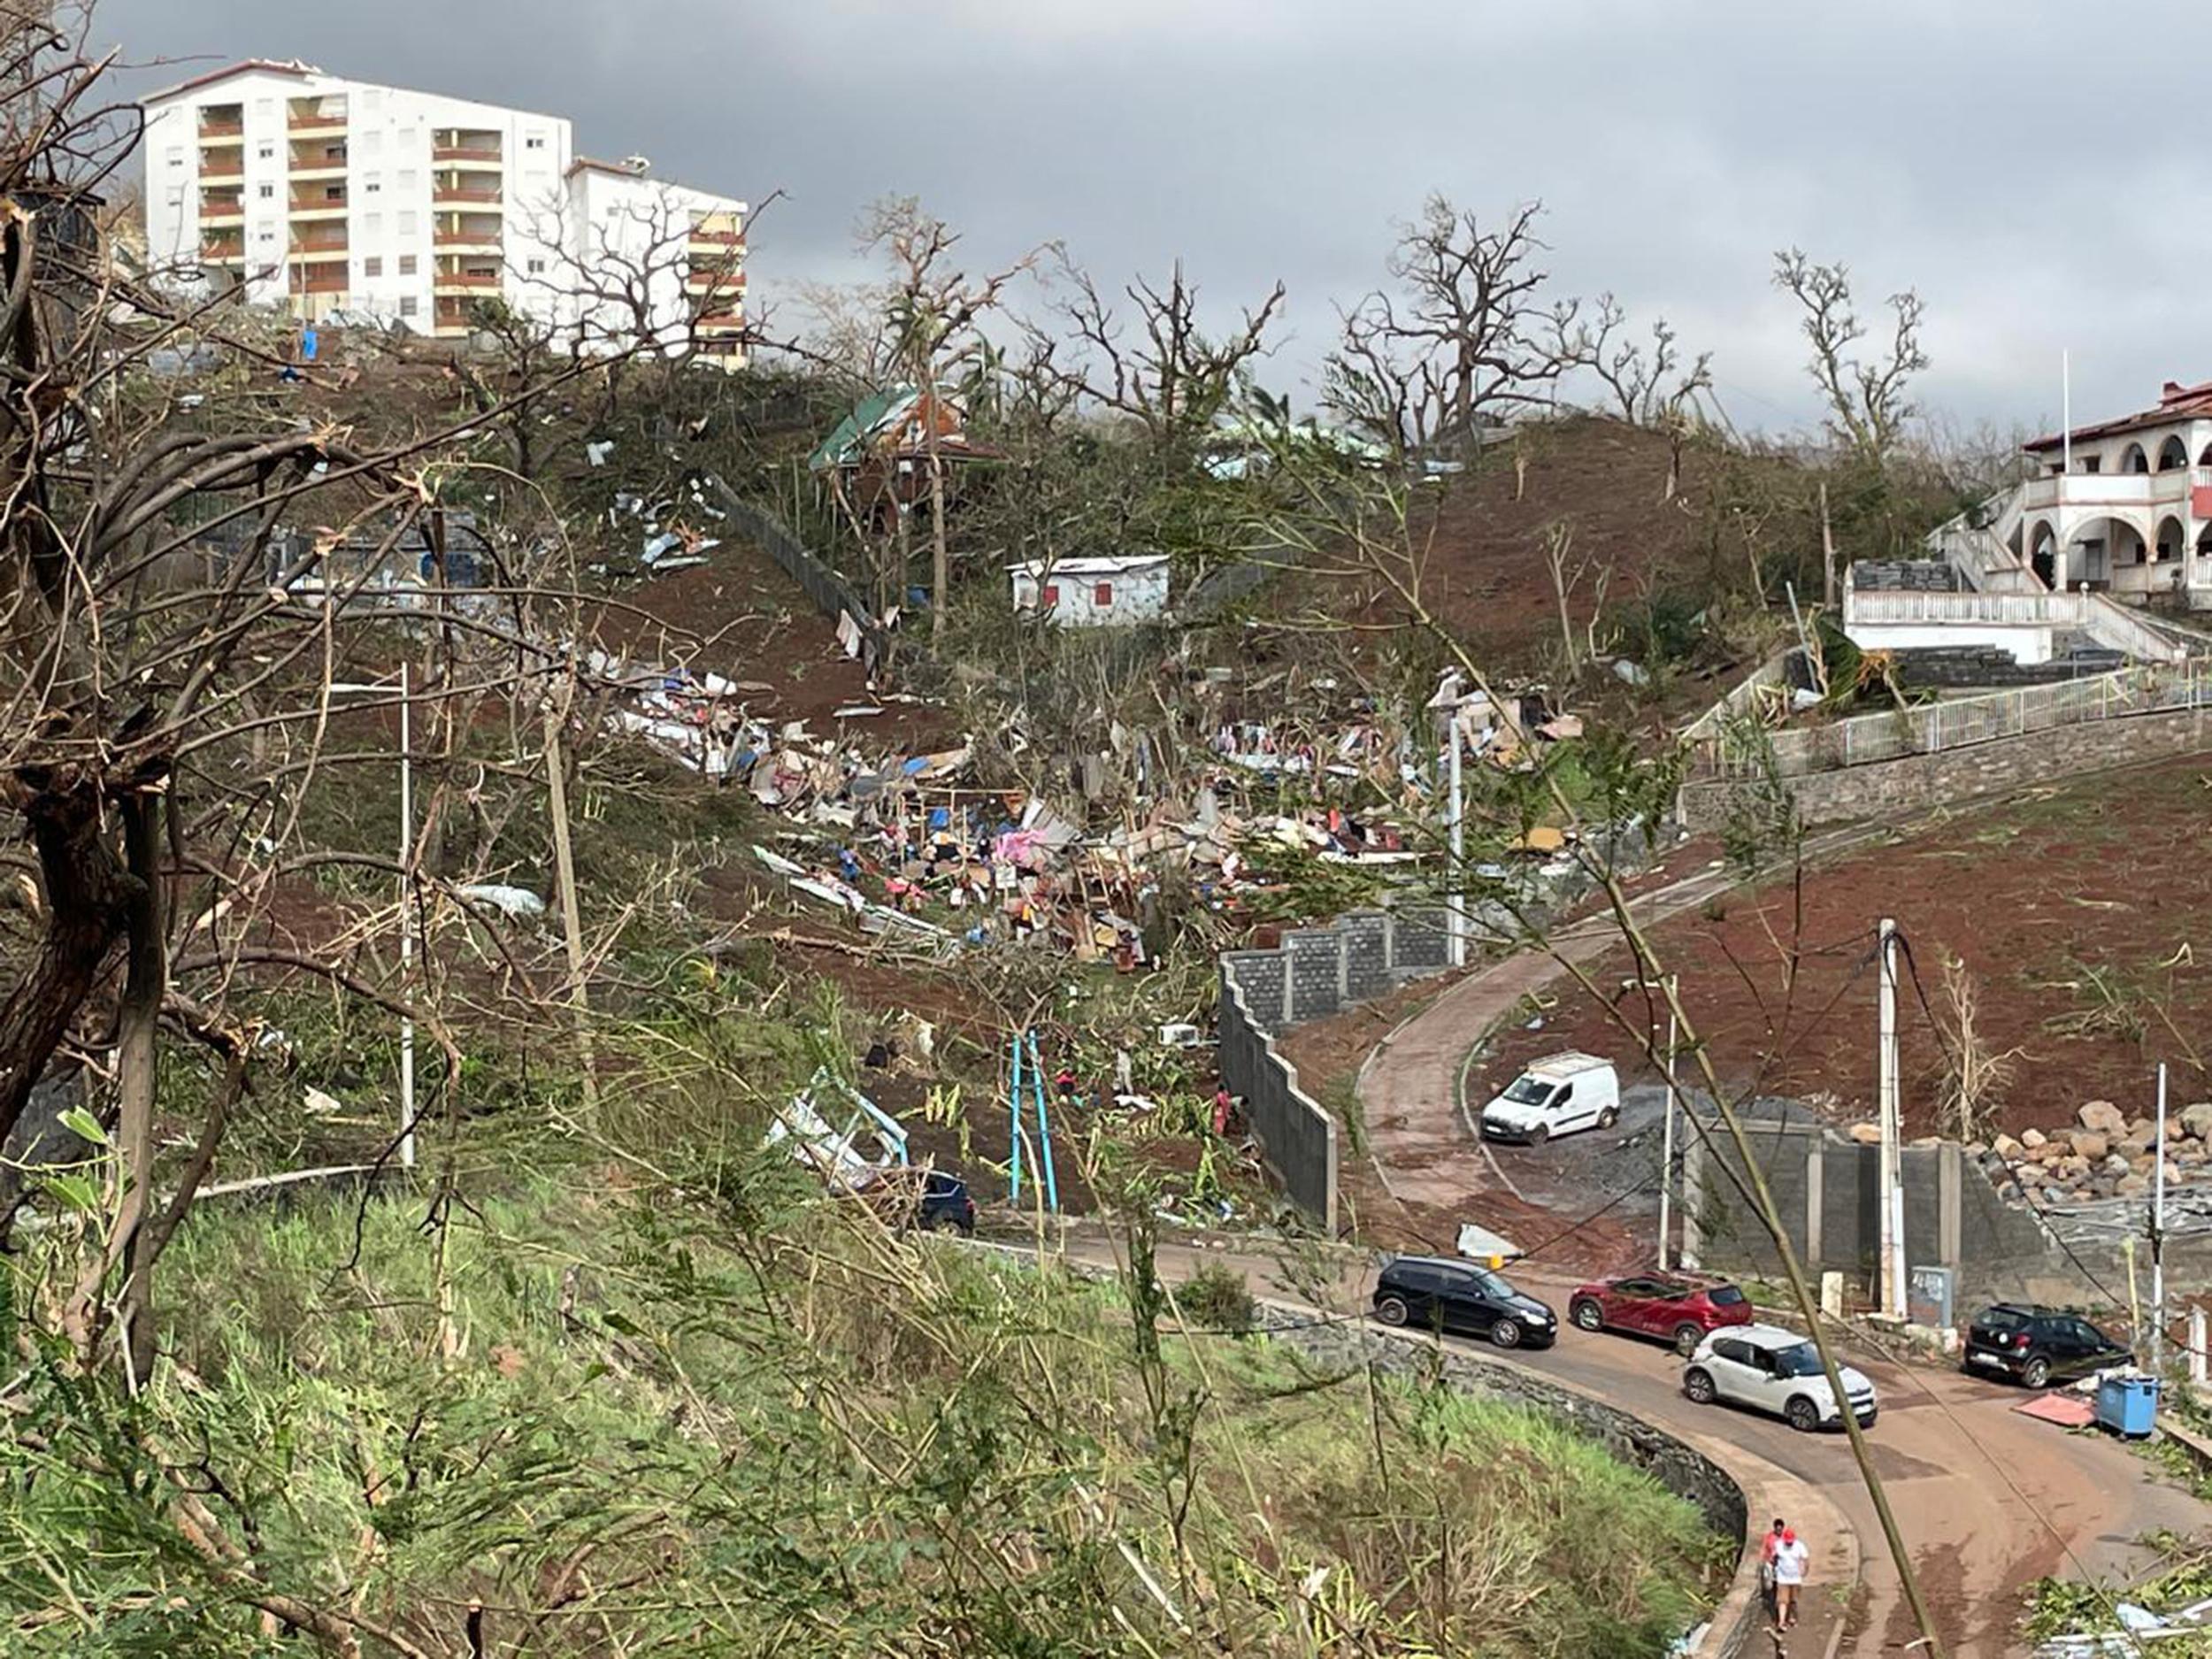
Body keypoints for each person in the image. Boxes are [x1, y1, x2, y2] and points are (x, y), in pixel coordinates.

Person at [1770, 1525, 1809, 1630]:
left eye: (1790, 1541)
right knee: (1782, 1600)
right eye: (1787, 1541)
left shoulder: (1800, 1546)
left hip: (1795, 1578)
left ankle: (1792, 1617)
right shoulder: (1778, 1545)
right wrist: (1774, 1569)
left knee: (1793, 1600)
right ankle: (1781, 1622)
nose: (1789, 1543)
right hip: (1782, 1578)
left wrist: (1805, 1570)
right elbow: (1774, 1558)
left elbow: (1805, 1559)